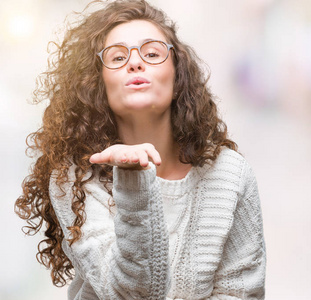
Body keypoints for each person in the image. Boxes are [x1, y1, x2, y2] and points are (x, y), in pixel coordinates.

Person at [14, 0, 266, 299]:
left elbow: (241, 293)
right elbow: (131, 295)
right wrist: (133, 179)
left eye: (152, 53)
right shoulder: (73, 177)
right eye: (118, 57)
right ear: (97, 84)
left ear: (177, 77)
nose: (135, 62)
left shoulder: (229, 173)